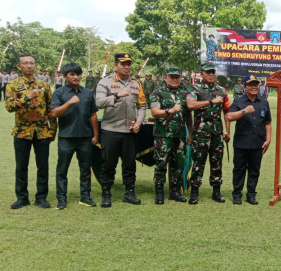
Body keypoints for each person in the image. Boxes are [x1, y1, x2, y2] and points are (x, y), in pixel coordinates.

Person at [6, 54, 57, 209]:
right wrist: (27, 97)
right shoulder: (12, 85)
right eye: (25, 63)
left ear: (35, 66)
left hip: (42, 132)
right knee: (21, 166)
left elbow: (51, 109)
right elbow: (9, 106)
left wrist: (53, 130)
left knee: (43, 166)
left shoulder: (45, 86)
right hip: (22, 131)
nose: (29, 66)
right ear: (19, 66)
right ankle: (22, 198)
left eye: (31, 63)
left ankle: (41, 197)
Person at [95, 53, 146, 208]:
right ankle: (106, 193)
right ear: (115, 65)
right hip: (111, 130)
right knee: (109, 163)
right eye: (123, 64)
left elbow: (142, 106)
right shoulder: (105, 82)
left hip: (130, 131)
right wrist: (116, 96)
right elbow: (98, 103)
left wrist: (139, 122)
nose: (127, 67)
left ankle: (129, 193)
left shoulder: (136, 83)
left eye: (129, 64)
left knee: (129, 164)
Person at [49, 62, 99, 209]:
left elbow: (93, 115)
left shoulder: (88, 93)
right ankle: (61, 199)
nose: (76, 77)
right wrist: (69, 103)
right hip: (66, 137)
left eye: (78, 74)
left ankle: (85, 196)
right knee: (62, 169)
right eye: (72, 74)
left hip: (85, 137)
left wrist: (95, 135)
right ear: (65, 76)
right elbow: (54, 113)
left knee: (85, 169)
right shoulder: (59, 93)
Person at [186, 62, 231, 204]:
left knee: (216, 163)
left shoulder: (222, 91)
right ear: (201, 73)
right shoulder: (195, 89)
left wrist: (228, 131)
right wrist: (211, 101)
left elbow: (227, 112)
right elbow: (191, 105)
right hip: (200, 134)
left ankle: (216, 192)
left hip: (217, 134)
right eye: (208, 72)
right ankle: (194, 192)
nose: (211, 74)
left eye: (213, 72)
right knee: (198, 162)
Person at [227, 75, 272, 205]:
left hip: (258, 142)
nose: (254, 87)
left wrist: (268, 139)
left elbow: (268, 122)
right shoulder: (239, 101)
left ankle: (251, 194)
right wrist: (244, 111)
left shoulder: (264, 102)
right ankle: (237, 194)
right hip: (242, 142)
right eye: (250, 84)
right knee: (239, 169)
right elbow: (229, 116)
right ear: (245, 87)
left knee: (254, 169)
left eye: (255, 84)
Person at [151, 67, 192, 204]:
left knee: (179, 164)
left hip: (180, 136)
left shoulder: (184, 94)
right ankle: (159, 192)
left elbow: (188, 116)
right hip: (163, 136)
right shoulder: (158, 93)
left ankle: (175, 191)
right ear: (165, 77)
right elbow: (155, 112)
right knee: (161, 163)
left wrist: (190, 133)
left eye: (177, 77)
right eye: (172, 76)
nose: (175, 79)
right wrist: (170, 110)